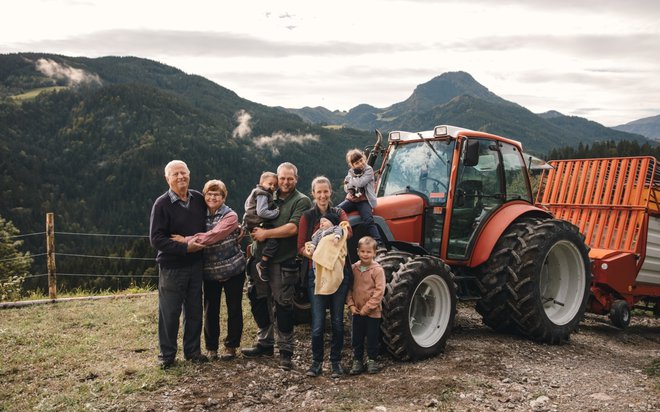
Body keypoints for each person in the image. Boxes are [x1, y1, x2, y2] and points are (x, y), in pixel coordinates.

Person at [242, 162, 312, 371]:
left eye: (290, 178)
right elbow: (253, 213)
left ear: (296, 179)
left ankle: (286, 351)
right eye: (282, 178)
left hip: (283, 261)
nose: (285, 182)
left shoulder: (302, 200)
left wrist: (265, 234)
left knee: (283, 304)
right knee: (258, 299)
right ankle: (265, 344)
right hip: (258, 258)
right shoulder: (268, 193)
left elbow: (293, 228)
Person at [172, 179, 246, 361]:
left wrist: (186, 239)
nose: (213, 197)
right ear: (204, 196)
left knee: (234, 308)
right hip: (210, 272)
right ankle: (212, 348)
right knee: (210, 311)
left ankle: (231, 347)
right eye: (209, 194)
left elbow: (213, 236)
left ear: (223, 197)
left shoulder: (230, 216)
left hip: (233, 269)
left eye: (217, 194)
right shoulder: (199, 213)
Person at [149, 160, 208, 369]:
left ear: (189, 175)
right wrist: (185, 248)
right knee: (170, 312)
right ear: (167, 178)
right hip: (172, 267)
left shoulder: (199, 199)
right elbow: (156, 239)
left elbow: (212, 223)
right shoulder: (162, 204)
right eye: (176, 174)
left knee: (194, 310)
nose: (181, 177)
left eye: (184, 173)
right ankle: (167, 355)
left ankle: (192, 352)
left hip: (195, 265)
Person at [297, 176, 353, 379]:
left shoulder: (339, 213)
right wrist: (310, 252)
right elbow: (301, 246)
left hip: (339, 273)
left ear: (331, 192)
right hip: (317, 274)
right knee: (318, 323)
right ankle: (316, 362)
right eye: (318, 192)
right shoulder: (307, 217)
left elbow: (349, 231)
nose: (322, 195)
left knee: (338, 322)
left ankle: (336, 362)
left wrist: (332, 228)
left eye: (325, 191)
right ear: (313, 194)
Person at [347, 236, 385, 375]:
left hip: (372, 313)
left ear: (375, 253)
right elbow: (349, 288)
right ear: (357, 251)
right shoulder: (354, 268)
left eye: (369, 252)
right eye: (363, 251)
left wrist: (367, 308)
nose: (365, 254)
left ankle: (372, 360)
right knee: (356, 337)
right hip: (356, 312)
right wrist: (351, 305)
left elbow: (379, 292)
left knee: (372, 337)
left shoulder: (377, 270)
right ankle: (357, 360)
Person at [337, 149, 381, 244]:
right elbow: (346, 187)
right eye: (357, 163)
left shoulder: (368, 170)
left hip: (364, 200)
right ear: (352, 165)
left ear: (364, 158)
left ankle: (379, 242)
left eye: (361, 160)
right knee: (336, 211)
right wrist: (349, 186)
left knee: (368, 219)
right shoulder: (351, 172)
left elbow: (361, 183)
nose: (360, 163)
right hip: (352, 200)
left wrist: (349, 180)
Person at [243, 171, 280, 282]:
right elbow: (262, 212)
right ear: (261, 182)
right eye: (270, 184)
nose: (272, 187)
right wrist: (276, 212)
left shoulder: (256, 192)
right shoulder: (262, 193)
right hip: (257, 222)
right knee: (274, 240)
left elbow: (247, 207)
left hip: (250, 222)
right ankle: (263, 264)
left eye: (275, 185)